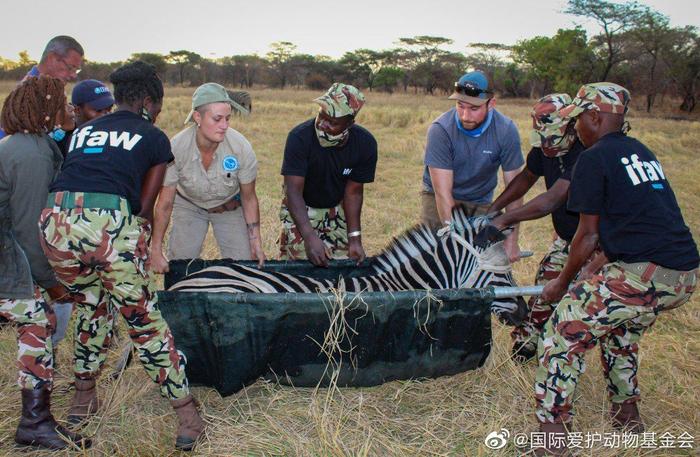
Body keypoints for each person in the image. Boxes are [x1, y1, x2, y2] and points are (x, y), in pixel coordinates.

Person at [37, 61, 205, 451]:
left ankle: (83, 399)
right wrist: (136, 255)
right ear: (148, 101)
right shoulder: (154, 137)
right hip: (108, 221)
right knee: (144, 320)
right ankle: (188, 417)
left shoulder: (83, 130)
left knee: (90, 305)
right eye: (159, 106)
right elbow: (144, 207)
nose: (158, 113)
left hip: (55, 222)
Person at [533, 83, 698, 456]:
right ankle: (628, 416)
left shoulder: (593, 158)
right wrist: (595, 269)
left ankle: (552, 440)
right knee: (619, 327)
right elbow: (633, 222)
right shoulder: (639, 152)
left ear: (595, 117)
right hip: (683, 275)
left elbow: (587, 235)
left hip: (643, 274)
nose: (574, 129)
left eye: (577, 121)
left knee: (562, 332)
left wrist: (561, 284)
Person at [0, 76, 90, 450]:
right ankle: (35, 424)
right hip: (9, 255)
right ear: (45, 109)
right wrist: (52, 282)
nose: (70, 110)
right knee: (38, 323)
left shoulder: (25, 145)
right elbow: (27, 229)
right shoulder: (32, 154)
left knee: (40, 322)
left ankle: (37, 421)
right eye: (64, 103)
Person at [474, 93, 587, 362]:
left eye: (552, 138)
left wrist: (504, 220)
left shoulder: (586, 152)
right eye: (541, 137)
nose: (546, 145)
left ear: (571, 126)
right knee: (545, 286)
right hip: (566, 238)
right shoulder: (544, 147)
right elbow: (525, 178)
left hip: (596, 242)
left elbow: (551, 200)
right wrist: (494, 208)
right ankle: (527, 343)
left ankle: (563, 352)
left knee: (583, 299)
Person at [151, 82, 264, 272]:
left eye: (228, 119)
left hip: (229, 206)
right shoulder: (176, 148)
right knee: (180, 265)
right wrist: (155, 250)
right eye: (217, 119)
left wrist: (256, 241)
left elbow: (249, 197)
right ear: (198, 117)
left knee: (244, 266)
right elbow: (165, 203)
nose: (224, 126)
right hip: (189, 205)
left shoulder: (241, 147)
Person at [421, 70, 524, 262]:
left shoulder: (506, 131)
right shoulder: (440, 130)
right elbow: (443, 194)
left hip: (481, 198)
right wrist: (455, 241)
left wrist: (511, 241)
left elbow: (515, 190)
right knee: (439, 256)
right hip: (439, 197)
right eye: (460, 106)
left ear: (491, 104)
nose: (465, 115)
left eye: (474, 108)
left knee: (486, 259)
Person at [279, 83, 377, 267]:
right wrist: (309, 237)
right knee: (299, 268)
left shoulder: (365, 144)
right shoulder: (299, 138)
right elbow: (292, 191)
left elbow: (354, 193)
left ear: (349, 123)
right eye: (321, 116)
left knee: (340, 268)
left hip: (337, 209)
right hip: (301, 207)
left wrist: (354, 238)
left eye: (332, 122)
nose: (323, 125)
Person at [0, 35, 84, 142]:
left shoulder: (50, 89)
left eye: (76, 70)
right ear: (51, 58)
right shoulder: (27, 94)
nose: (73, 75)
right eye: (71, 67)